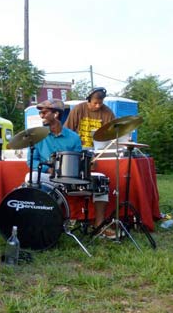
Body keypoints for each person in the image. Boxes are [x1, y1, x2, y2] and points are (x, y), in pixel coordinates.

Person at [26, 99, 113, 237]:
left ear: (55, 114)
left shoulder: (73, 137)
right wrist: (47, 169)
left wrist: (88, 165)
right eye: (40, 113)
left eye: (44, 112)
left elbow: (78, 158)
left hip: (71, 178)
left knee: (101, 180)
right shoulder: (36, 136)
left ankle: (99, 225)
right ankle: (37, 220)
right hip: (48, 177)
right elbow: (31, 161)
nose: (41, 116)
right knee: (30, 177)